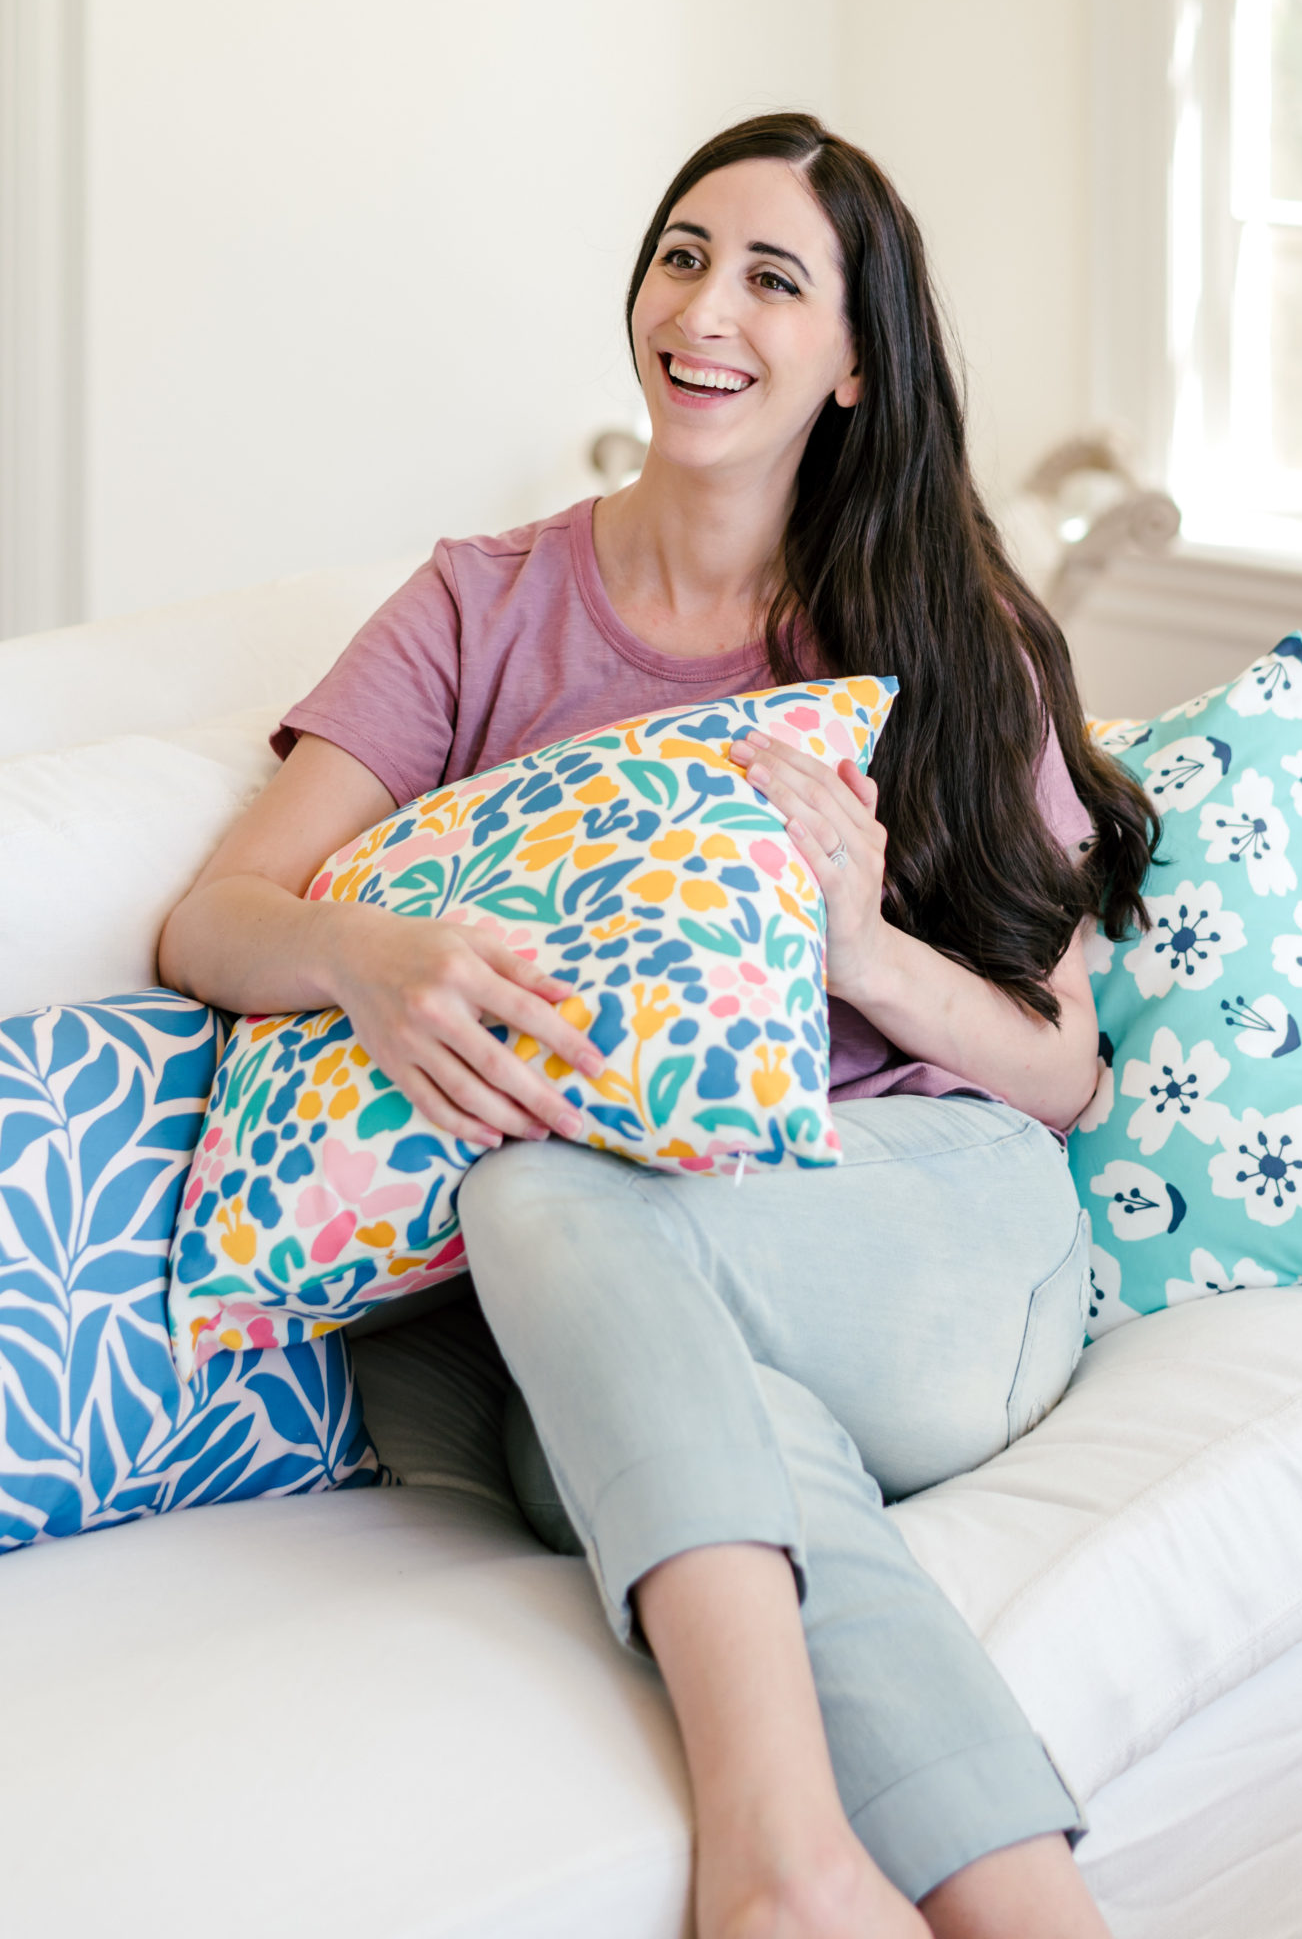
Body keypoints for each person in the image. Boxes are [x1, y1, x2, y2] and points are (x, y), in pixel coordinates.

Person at [159, 114, 1156, 1939]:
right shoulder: (482, 602)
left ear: (857, 365)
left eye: (776, 279)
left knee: (538, 1191)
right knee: (675, 1443)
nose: (709, 309)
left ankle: (770, 1866)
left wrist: (859, 946)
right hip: (599, 1327)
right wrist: (369, 953)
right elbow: (218, 916)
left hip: (923, 1225)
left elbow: (1062, 1063)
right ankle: (1026, 1914)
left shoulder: (945, 629)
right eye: (684, 254)